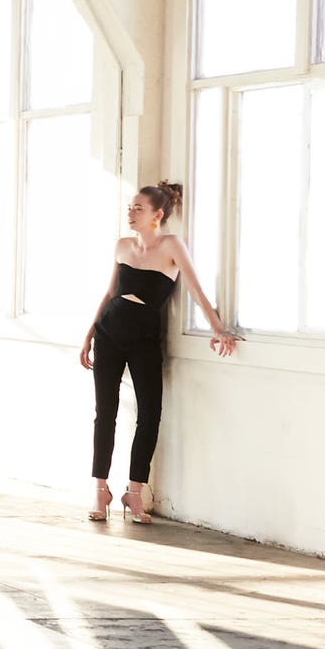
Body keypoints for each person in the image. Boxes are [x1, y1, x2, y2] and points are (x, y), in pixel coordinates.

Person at [77, 181, 238, 523]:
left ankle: (134, 491)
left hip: (144, 338)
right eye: (130, 207)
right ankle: (100, 490)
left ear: (157, 215)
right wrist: (88, 335)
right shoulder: (121, 245)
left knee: (149, 415)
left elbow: (197, 290)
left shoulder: (171, 245)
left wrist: (217, 329)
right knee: (104, 413)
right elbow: (109, 294)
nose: (131, 213)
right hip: (109, 332)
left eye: (138, 208)